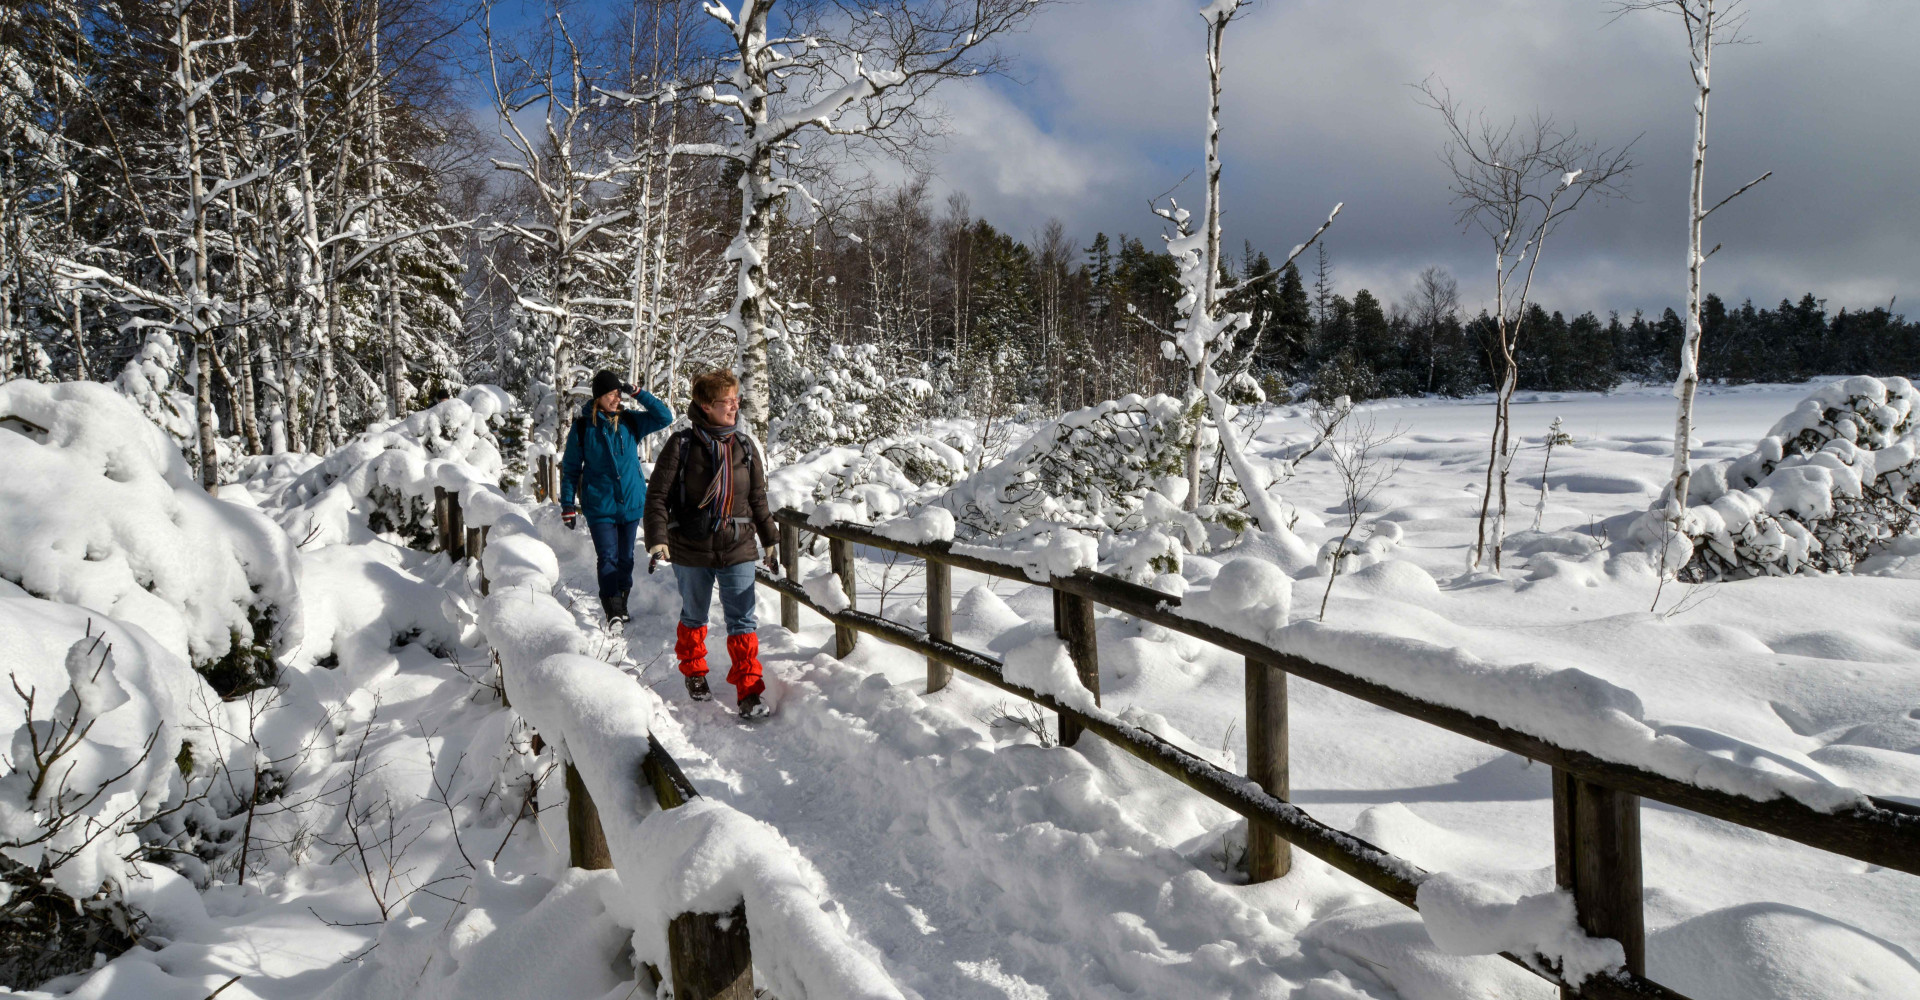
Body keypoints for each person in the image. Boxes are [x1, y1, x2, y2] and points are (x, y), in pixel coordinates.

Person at [644, 369, 779, 718]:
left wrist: (771, 541)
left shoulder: (745, 446)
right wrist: (658, 540)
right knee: (695, 614)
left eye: (736, 400)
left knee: (743, 621)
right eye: (726, 401)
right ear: (705, 406)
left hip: (737, 545)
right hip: (692, 546)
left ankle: (749, 691)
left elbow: (758, 500)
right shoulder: (682, 445)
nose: (734, 406)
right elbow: (657, 496)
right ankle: (694, 671)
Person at [561, 370, 674, 625]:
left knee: (626, 558)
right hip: (600, 505)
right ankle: (612, 610)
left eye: (618, 393)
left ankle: (622, 604)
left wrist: (637, 392)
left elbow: (664, 417)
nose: (616, 398)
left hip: (631, 503)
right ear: (598, 397)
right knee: (608, 557)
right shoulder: (582, 429)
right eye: (611, 394)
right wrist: (567, 503)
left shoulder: (630, 421)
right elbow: (570, 470)